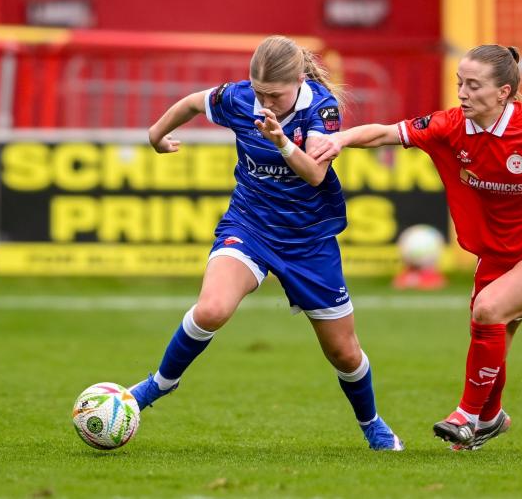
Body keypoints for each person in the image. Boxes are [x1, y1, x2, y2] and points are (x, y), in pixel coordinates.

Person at [309, 45, 522, 450]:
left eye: (473, 85)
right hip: (497, 257)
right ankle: (490, 416)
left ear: (503, 92)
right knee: (491, 332)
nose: (462, 93)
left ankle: (467, 416)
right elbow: (386, 132)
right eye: (459, 83)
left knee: (489, 309)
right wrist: (341, 139)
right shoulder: (451, 125)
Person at [128, 35, 403, 451]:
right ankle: (159, 385)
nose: (266, 102)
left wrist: (282, 142)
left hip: (308, 240)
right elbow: (192, 103)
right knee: (211, 309)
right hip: (250, 224)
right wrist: (156, 134)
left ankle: (372, 423)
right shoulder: (239, 98)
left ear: (298, 80)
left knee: (344, 353)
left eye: (275, 95)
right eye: (260, 93)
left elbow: (314, 173)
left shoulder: (321, 108)